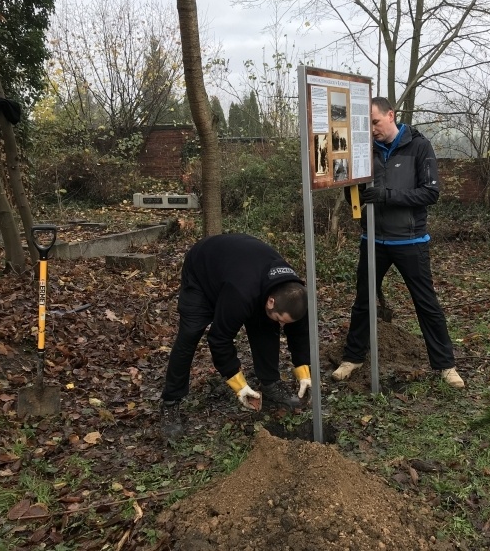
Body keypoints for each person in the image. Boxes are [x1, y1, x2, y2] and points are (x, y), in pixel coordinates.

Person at [333, 97, 465, 389]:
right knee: (363, 302)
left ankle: (445, 365)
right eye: (366, 125)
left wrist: (387, 195)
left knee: (426, 303)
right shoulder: (364, 150)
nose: (372, 129)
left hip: (411, 241)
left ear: (391, 115)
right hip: (373, 241)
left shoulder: (419, 146)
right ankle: (352, 358)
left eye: (376, 122)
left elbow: (430, 194)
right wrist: (351, 193)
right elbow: (354, 194)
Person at [160, 234, 313, 437]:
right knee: (190, 334)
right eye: (281, 318)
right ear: (271, 301)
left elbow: (299, 333)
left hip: (240, 268)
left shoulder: (295, 294)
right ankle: (170, 401)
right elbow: (219, 338)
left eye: (285, 321)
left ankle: (270, 383)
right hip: (203, 270)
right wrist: (239, 386)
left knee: (267, 325)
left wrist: (304, 373)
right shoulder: (241, 293)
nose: (283, 325)